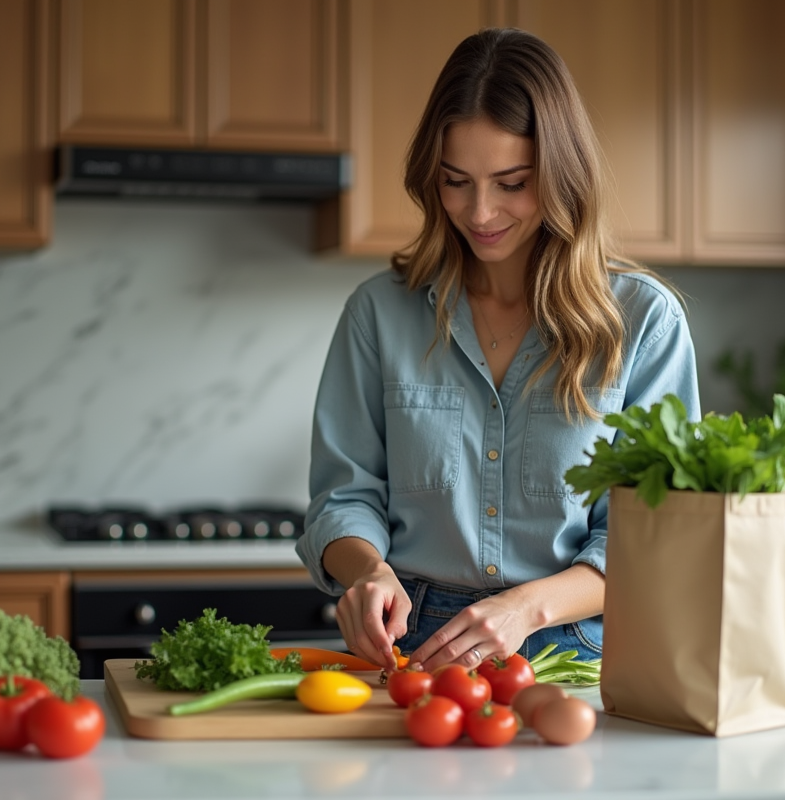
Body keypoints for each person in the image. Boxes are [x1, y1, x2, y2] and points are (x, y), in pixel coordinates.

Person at [296, 28, 701, 675]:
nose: (480, 211)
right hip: (411, 650)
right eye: (456, 181)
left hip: (575, 650)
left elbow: (656, 537)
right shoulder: (379, 312)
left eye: (512, 182)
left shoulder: (643, 321)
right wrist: (367, 572)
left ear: (562, 174)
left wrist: (526, 608)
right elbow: (344, 497)